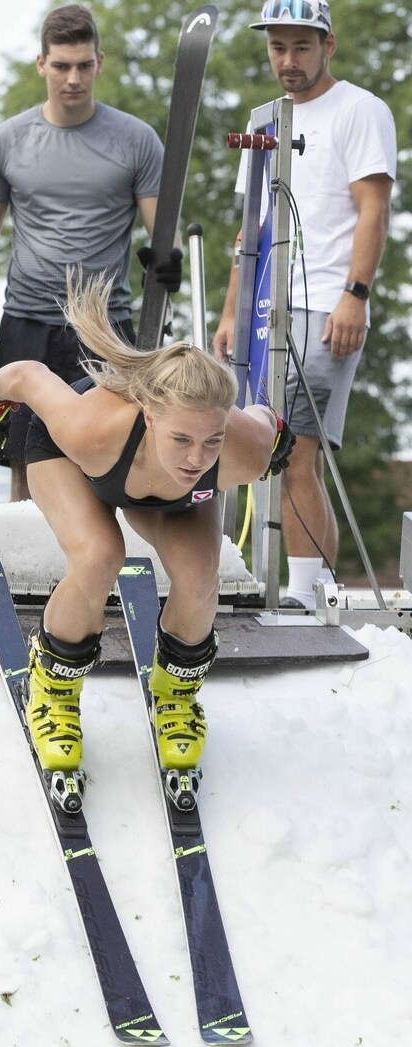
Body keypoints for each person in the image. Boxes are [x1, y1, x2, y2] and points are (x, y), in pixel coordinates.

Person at [0, 272, 293, 804]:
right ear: (152, 415)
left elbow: (264, 421)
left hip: (168, 498)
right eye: (181, 438)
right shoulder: (89, 426)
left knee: (202, 575)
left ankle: (176, 695)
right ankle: (54, 690)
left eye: (211, 441)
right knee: (98, 555)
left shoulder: (243, 451)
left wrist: (269, 430)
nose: (196, 457)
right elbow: (25, 375)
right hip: (77, 463)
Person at [0, 3, 182, 501]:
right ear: (41, 64)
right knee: (23, 466)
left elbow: (165, 232)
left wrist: (168, 259)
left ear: (100, 62)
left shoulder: (137, 140)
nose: (72, 78)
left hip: (105, 325)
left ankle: (99, 569)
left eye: (83, 65)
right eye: (61, 66)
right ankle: (25, 574)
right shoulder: (7, 141)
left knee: (108, 459)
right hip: (27, 319)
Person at [212, 0, 396, 609]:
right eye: (277, 48)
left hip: (325, 306)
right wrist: (232, 312)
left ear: (328, 45)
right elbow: (252, 227)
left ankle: (308, 599)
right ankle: (271, 589)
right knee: (252, 449)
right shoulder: (264, 120)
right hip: (265, 309)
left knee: (298, 453)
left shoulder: (360, 110)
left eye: (301, 47)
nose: (288, 61)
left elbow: (374, 208)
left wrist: (355, 295)